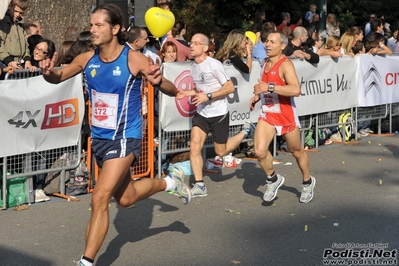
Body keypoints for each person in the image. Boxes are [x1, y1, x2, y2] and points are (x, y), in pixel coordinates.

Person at [38, 4, 191, 265]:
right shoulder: (87, 58)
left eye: (99, 25)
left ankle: (86, 261)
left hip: (125, 137)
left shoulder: (133, 58)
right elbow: (59, 75)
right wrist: (48, 72)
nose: (92, 29)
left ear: (116, 28)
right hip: (99, 139)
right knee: (126, 197)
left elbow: (168, 87)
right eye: (91, 24)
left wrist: (159, 81)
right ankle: (171, 181)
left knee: (99, 197)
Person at [179, 33, 255, 198]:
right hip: (202, 113)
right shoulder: (193, 67)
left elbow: (229, 88)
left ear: (205, 48)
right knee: (194, 145)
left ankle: (245, 132)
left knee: (220, 152)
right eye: (190, 42)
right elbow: (201, 90)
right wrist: (187, 92)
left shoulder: (214, 65)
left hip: (219, 113)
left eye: (196, 43)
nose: (191, 45)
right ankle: (199, 185)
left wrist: (208, 96)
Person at [249, 30, 315, 203]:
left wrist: (269, 88)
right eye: (266, 41)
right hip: (268, 114)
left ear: (283, 46)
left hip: (286, 116)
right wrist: (258, 96)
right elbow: (264, 87)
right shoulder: (264, 63)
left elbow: (295, 90)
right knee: (259, 151)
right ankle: (272, 179)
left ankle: (307, 181)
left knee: (296, 152)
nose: (267, 44)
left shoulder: (286, 65)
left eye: (272, 42)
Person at [0, 0, 33, 71]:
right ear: (9, 7)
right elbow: (0, 45)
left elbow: (25, 44)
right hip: (6, 65)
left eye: (21, 13)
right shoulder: (3, 22)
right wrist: (8, 61)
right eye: (15, 11)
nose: (18, 14)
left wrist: (27, 60)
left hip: (19, 64)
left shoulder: (20, 24)